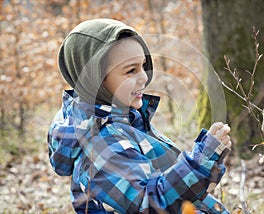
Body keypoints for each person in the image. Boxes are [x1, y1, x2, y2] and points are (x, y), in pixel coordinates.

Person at [48, 18, 232, 214]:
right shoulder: (101, 141)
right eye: (131, 70)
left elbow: (162, 183)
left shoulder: (122, 120)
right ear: (95, 81)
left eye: (143, 65)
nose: (144, 77)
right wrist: (200, 162)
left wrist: (207, 164)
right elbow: (150, 205)